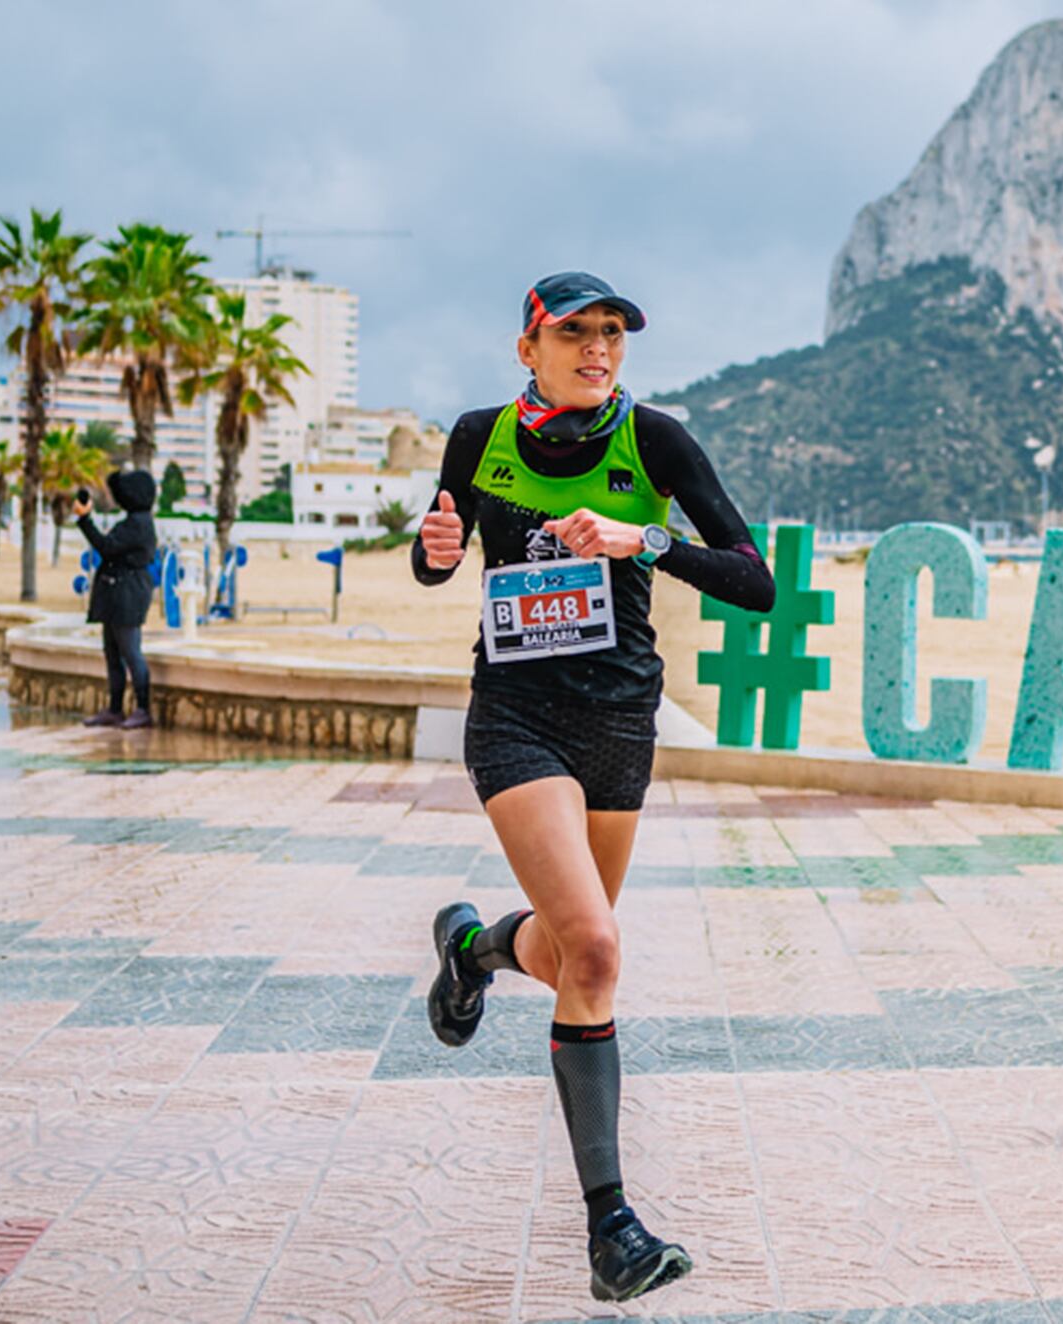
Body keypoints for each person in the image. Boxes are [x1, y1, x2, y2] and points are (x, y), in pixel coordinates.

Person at [412, 271, 774, 1302]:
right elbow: (441, 557)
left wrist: (644, 538)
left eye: (613, 332)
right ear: (529, 345)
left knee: (577, 950)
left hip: (621, 722)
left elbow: (756, 578)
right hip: (517, 718)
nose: (599, 349)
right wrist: (433, 554)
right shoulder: (479, 437)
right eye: (576, 333)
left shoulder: (654, 441)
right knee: (602, 947)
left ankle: (474, 948)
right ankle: (612, 1226)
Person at [74, 469, 159, 729]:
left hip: (128, 593)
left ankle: (142, 709)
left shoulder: (137, 524)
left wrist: (85, 520)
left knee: (130, 651)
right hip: (118, 591)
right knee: (113, 652)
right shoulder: (136, 520)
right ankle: (115, 709)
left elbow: (107, 546)